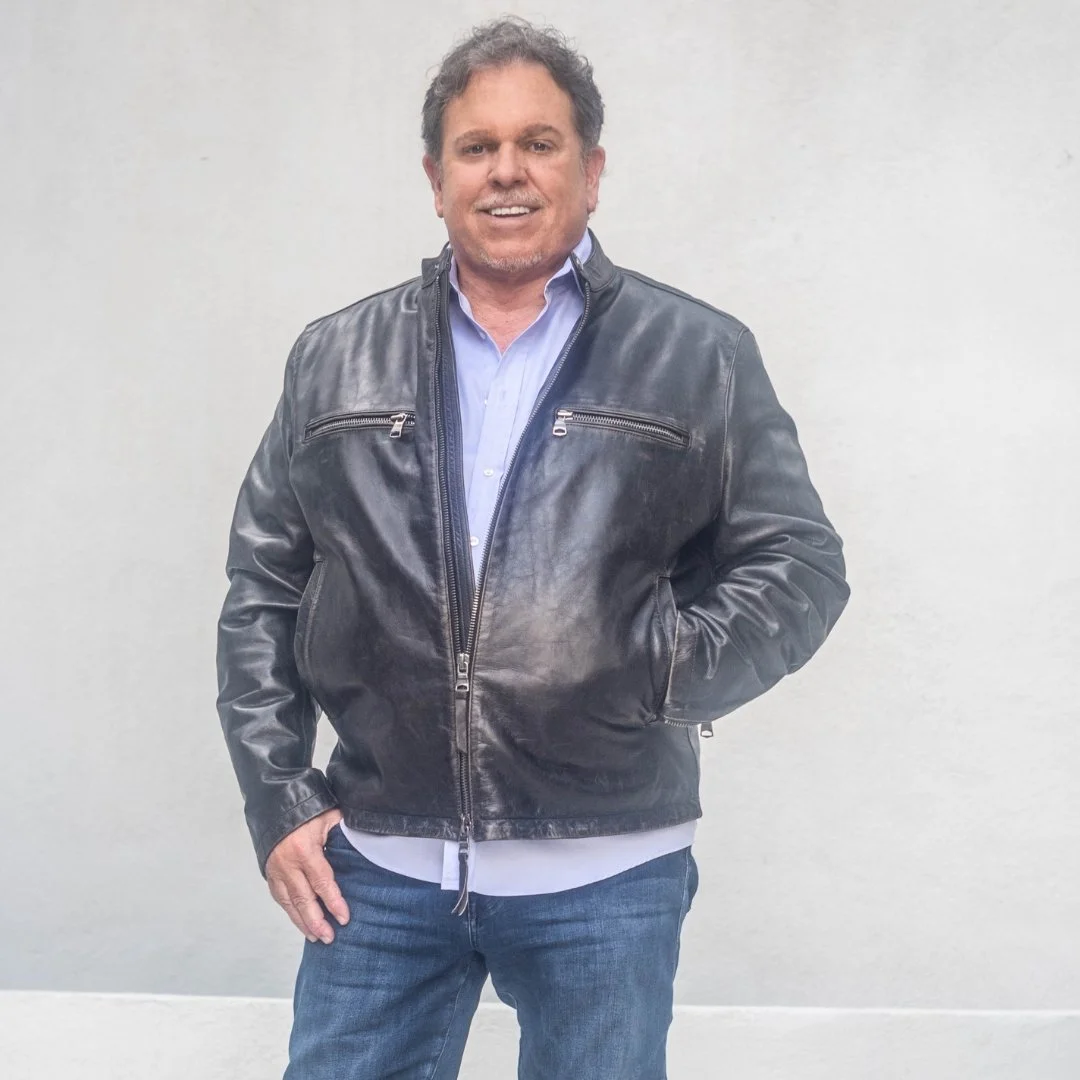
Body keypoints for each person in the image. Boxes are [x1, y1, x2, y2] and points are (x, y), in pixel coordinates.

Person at [216, 16, 849, 1080]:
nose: (506, 170)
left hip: (607, 874)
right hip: (379, 866)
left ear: (590, 171)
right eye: (477, 147)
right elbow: (264, 587)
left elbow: (800, 563)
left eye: (539, 143)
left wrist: (657, 667)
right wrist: (279, 798)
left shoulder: (698, 354)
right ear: (437, 179)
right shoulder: (333, 358)